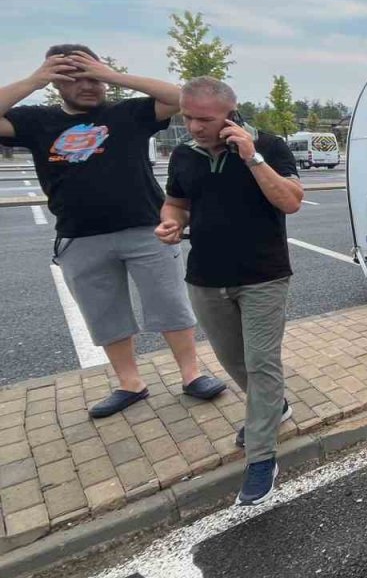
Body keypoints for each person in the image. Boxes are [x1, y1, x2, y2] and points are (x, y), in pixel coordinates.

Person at [0, 46, 225, 417]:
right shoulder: (36, 120)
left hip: (145, 229)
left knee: (170, 304)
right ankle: (130, 383)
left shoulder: (128, 113)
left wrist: (111, 75)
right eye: (75, 78)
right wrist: (35, 79)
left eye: (93, 77)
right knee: (105, 314)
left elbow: (179, 97)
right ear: (57, 84)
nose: (88, 85)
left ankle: (191, 374)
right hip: (80, 236)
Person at [157, 77, 303, 505]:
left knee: (260, 363)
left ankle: (261, 456)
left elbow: (291, 201)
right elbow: (177, 202)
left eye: (205, 118)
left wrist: (252, 156)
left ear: (230, 113)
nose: (194, 126)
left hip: (264, 276)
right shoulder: (184, 154)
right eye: (187, 116)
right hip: (205, 276)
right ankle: (274, 409)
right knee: (233, 361)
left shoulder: (269, 145)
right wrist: (171, 222)